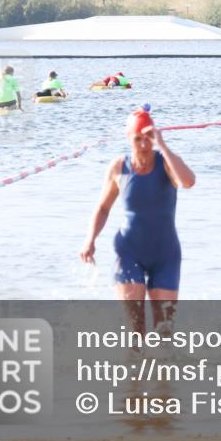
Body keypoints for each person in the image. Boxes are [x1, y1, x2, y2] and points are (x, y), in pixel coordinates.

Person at [79, 106, 196, 337]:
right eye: (137, 139)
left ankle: (160, 373)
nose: (143, 145)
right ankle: (134, 372)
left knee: (164, 333)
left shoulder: (165, 163)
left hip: (166, 255)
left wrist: (162, 144)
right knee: (135, 331)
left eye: (147, 139)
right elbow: (103, 208)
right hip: (129, 252)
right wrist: (89, 240)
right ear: (128, 138)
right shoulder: (118, 167)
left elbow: (188, 182)